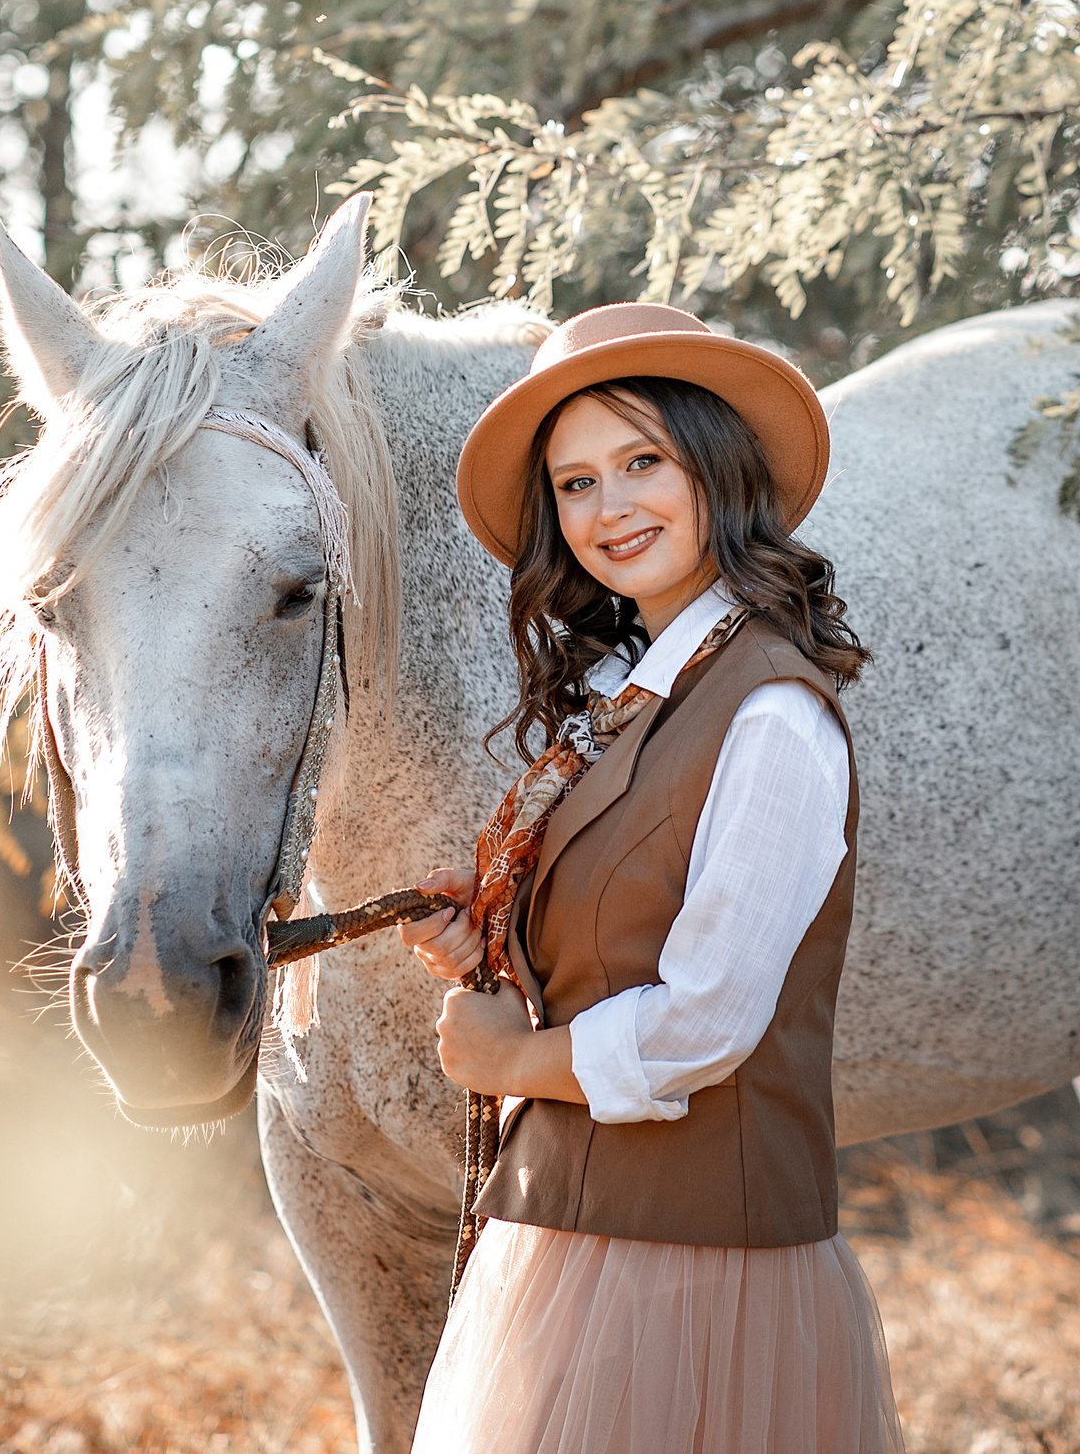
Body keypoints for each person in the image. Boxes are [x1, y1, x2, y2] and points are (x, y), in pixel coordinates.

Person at [397, 302, 906, 1454]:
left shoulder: (771, 712)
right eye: (575, 484)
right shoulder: (642, 692)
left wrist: (510, 1059)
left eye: (642, 462)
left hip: (691, 1269)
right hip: (575, 1229)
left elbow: (708, 1018)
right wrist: (501, 933)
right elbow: (629, 926)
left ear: (715, 472)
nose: (609, 507)